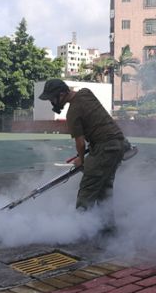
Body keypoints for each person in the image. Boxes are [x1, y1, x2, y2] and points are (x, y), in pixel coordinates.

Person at [39, 78, 130, 212]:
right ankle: (106, 229)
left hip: (105, 149)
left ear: (61, 94)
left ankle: (82, 228)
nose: (52, 102)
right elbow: (96, 120)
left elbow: (80, 142)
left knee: (87, 191)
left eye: (52, 99)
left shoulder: (73, 113)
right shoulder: (85, 92)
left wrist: (81, 160)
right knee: (103, 190)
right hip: (119, 144)